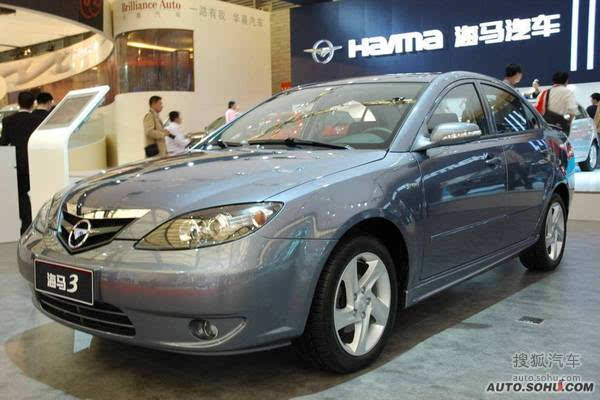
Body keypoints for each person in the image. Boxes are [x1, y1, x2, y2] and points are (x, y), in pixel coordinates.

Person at [0, 91, 46, 234]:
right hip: (36, 162)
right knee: (40, 192)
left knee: (22, 194)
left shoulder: (8, 121)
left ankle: (26, 225)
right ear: (33, 104)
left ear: (18, 103)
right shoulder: (38, 120)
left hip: (17, 164)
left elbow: (3, 143)